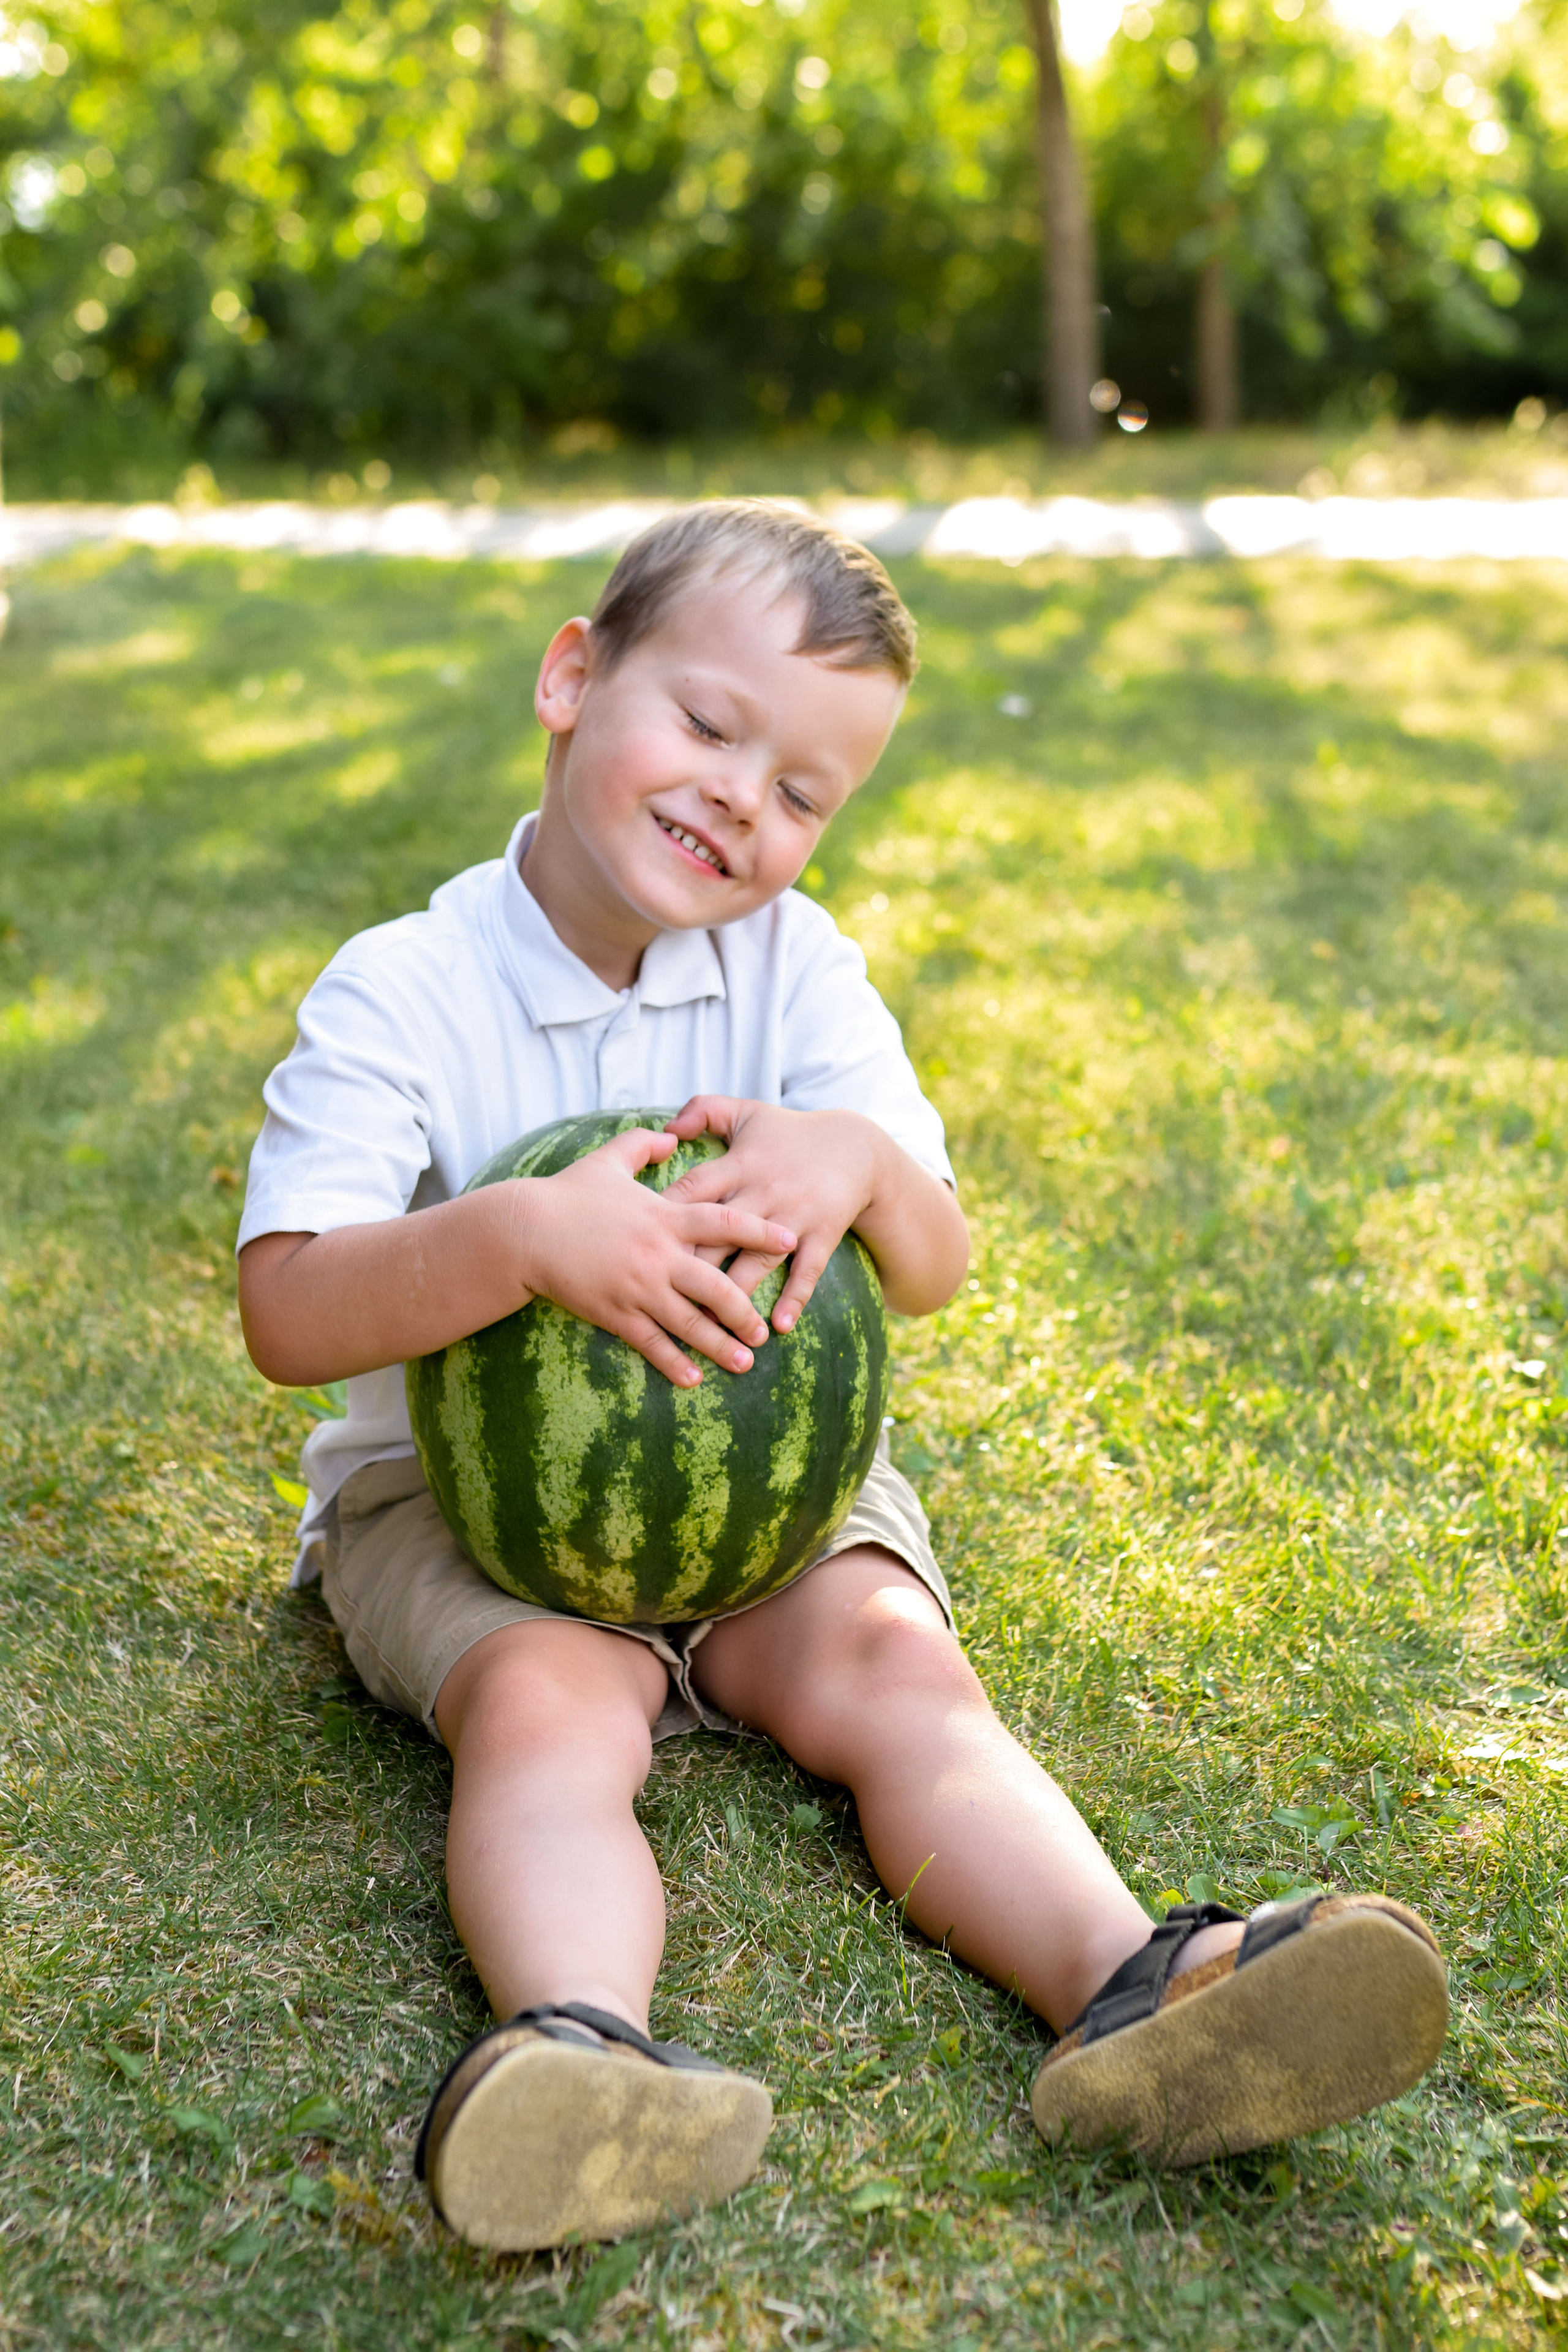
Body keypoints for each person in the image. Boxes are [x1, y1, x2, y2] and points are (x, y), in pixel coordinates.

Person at [236, 500, 1448, 2253]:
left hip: (779, 1496)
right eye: (710, 726)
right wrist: (515, 1241)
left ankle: (1147, 1988)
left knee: (901, 1673)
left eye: (804, 792)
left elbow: (936, 1258)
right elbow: (289, 1312)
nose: (744, 797)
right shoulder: (405, 994)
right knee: (555, 1715)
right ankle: (581, 2052)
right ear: (573, 678)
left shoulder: (798, 972)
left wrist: (865, 1171)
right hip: (469, 1513)